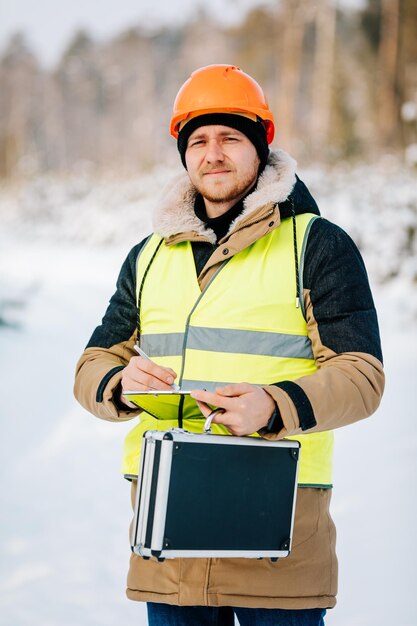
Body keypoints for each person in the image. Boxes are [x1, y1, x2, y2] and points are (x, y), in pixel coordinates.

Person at [74, 64, 384, 625]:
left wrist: (275, 404)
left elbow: (362, 377)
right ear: (185, 155)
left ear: (261, 146)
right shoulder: (148, 256)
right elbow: (93, 364)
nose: (212, 153)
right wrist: (118, 383)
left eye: (229, 138)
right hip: (169, 538)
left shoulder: (317, 244)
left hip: (277, 537)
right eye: (198, 141)